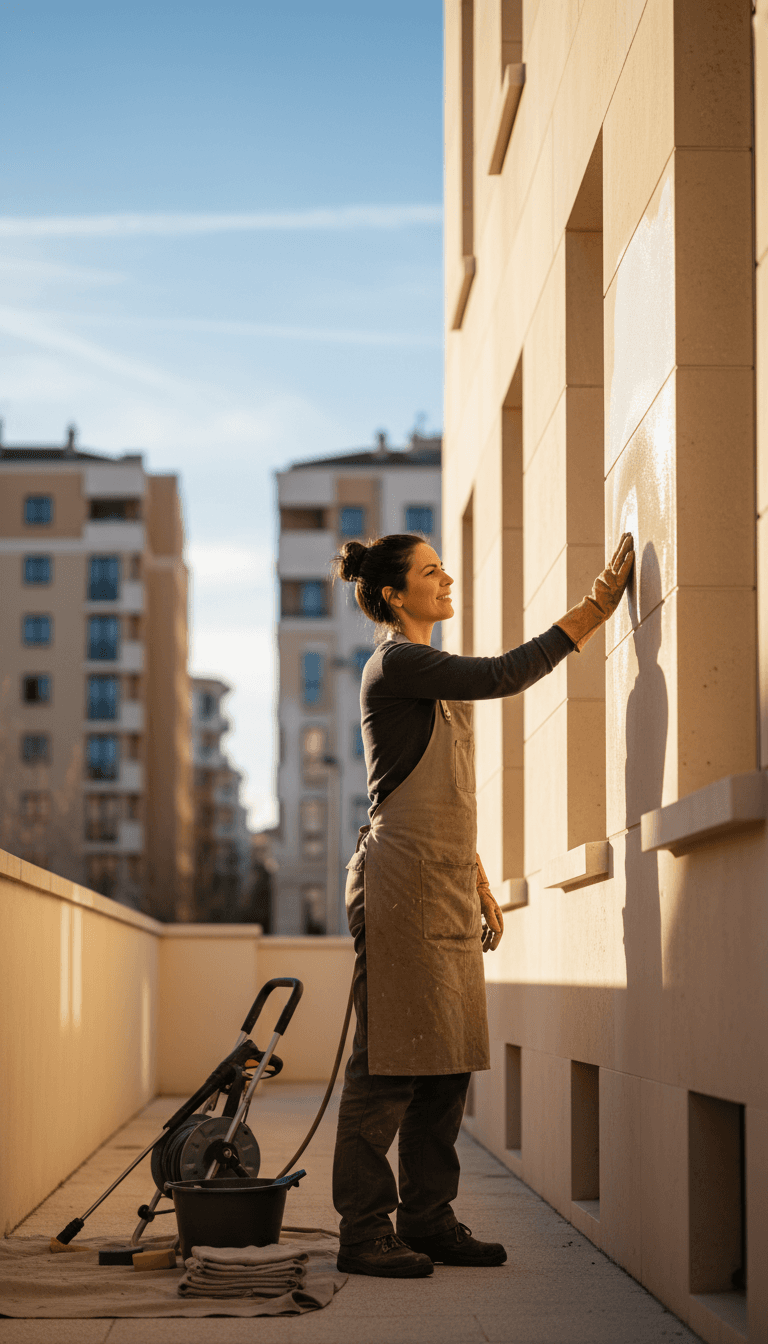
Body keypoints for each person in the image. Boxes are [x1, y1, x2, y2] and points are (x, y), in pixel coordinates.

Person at [331, 531, 634, 1278]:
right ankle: (364, 1232)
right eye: (431, 570)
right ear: (396, 595)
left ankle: (428, 1220)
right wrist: (593, 610)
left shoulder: (426, 673)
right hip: (400, 885)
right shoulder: (398, 663)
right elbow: (504, 674)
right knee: (390, 1064)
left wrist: (478, 879)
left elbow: (443, 789)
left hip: (440, 879)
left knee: (447, 1062)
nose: (447, 576)